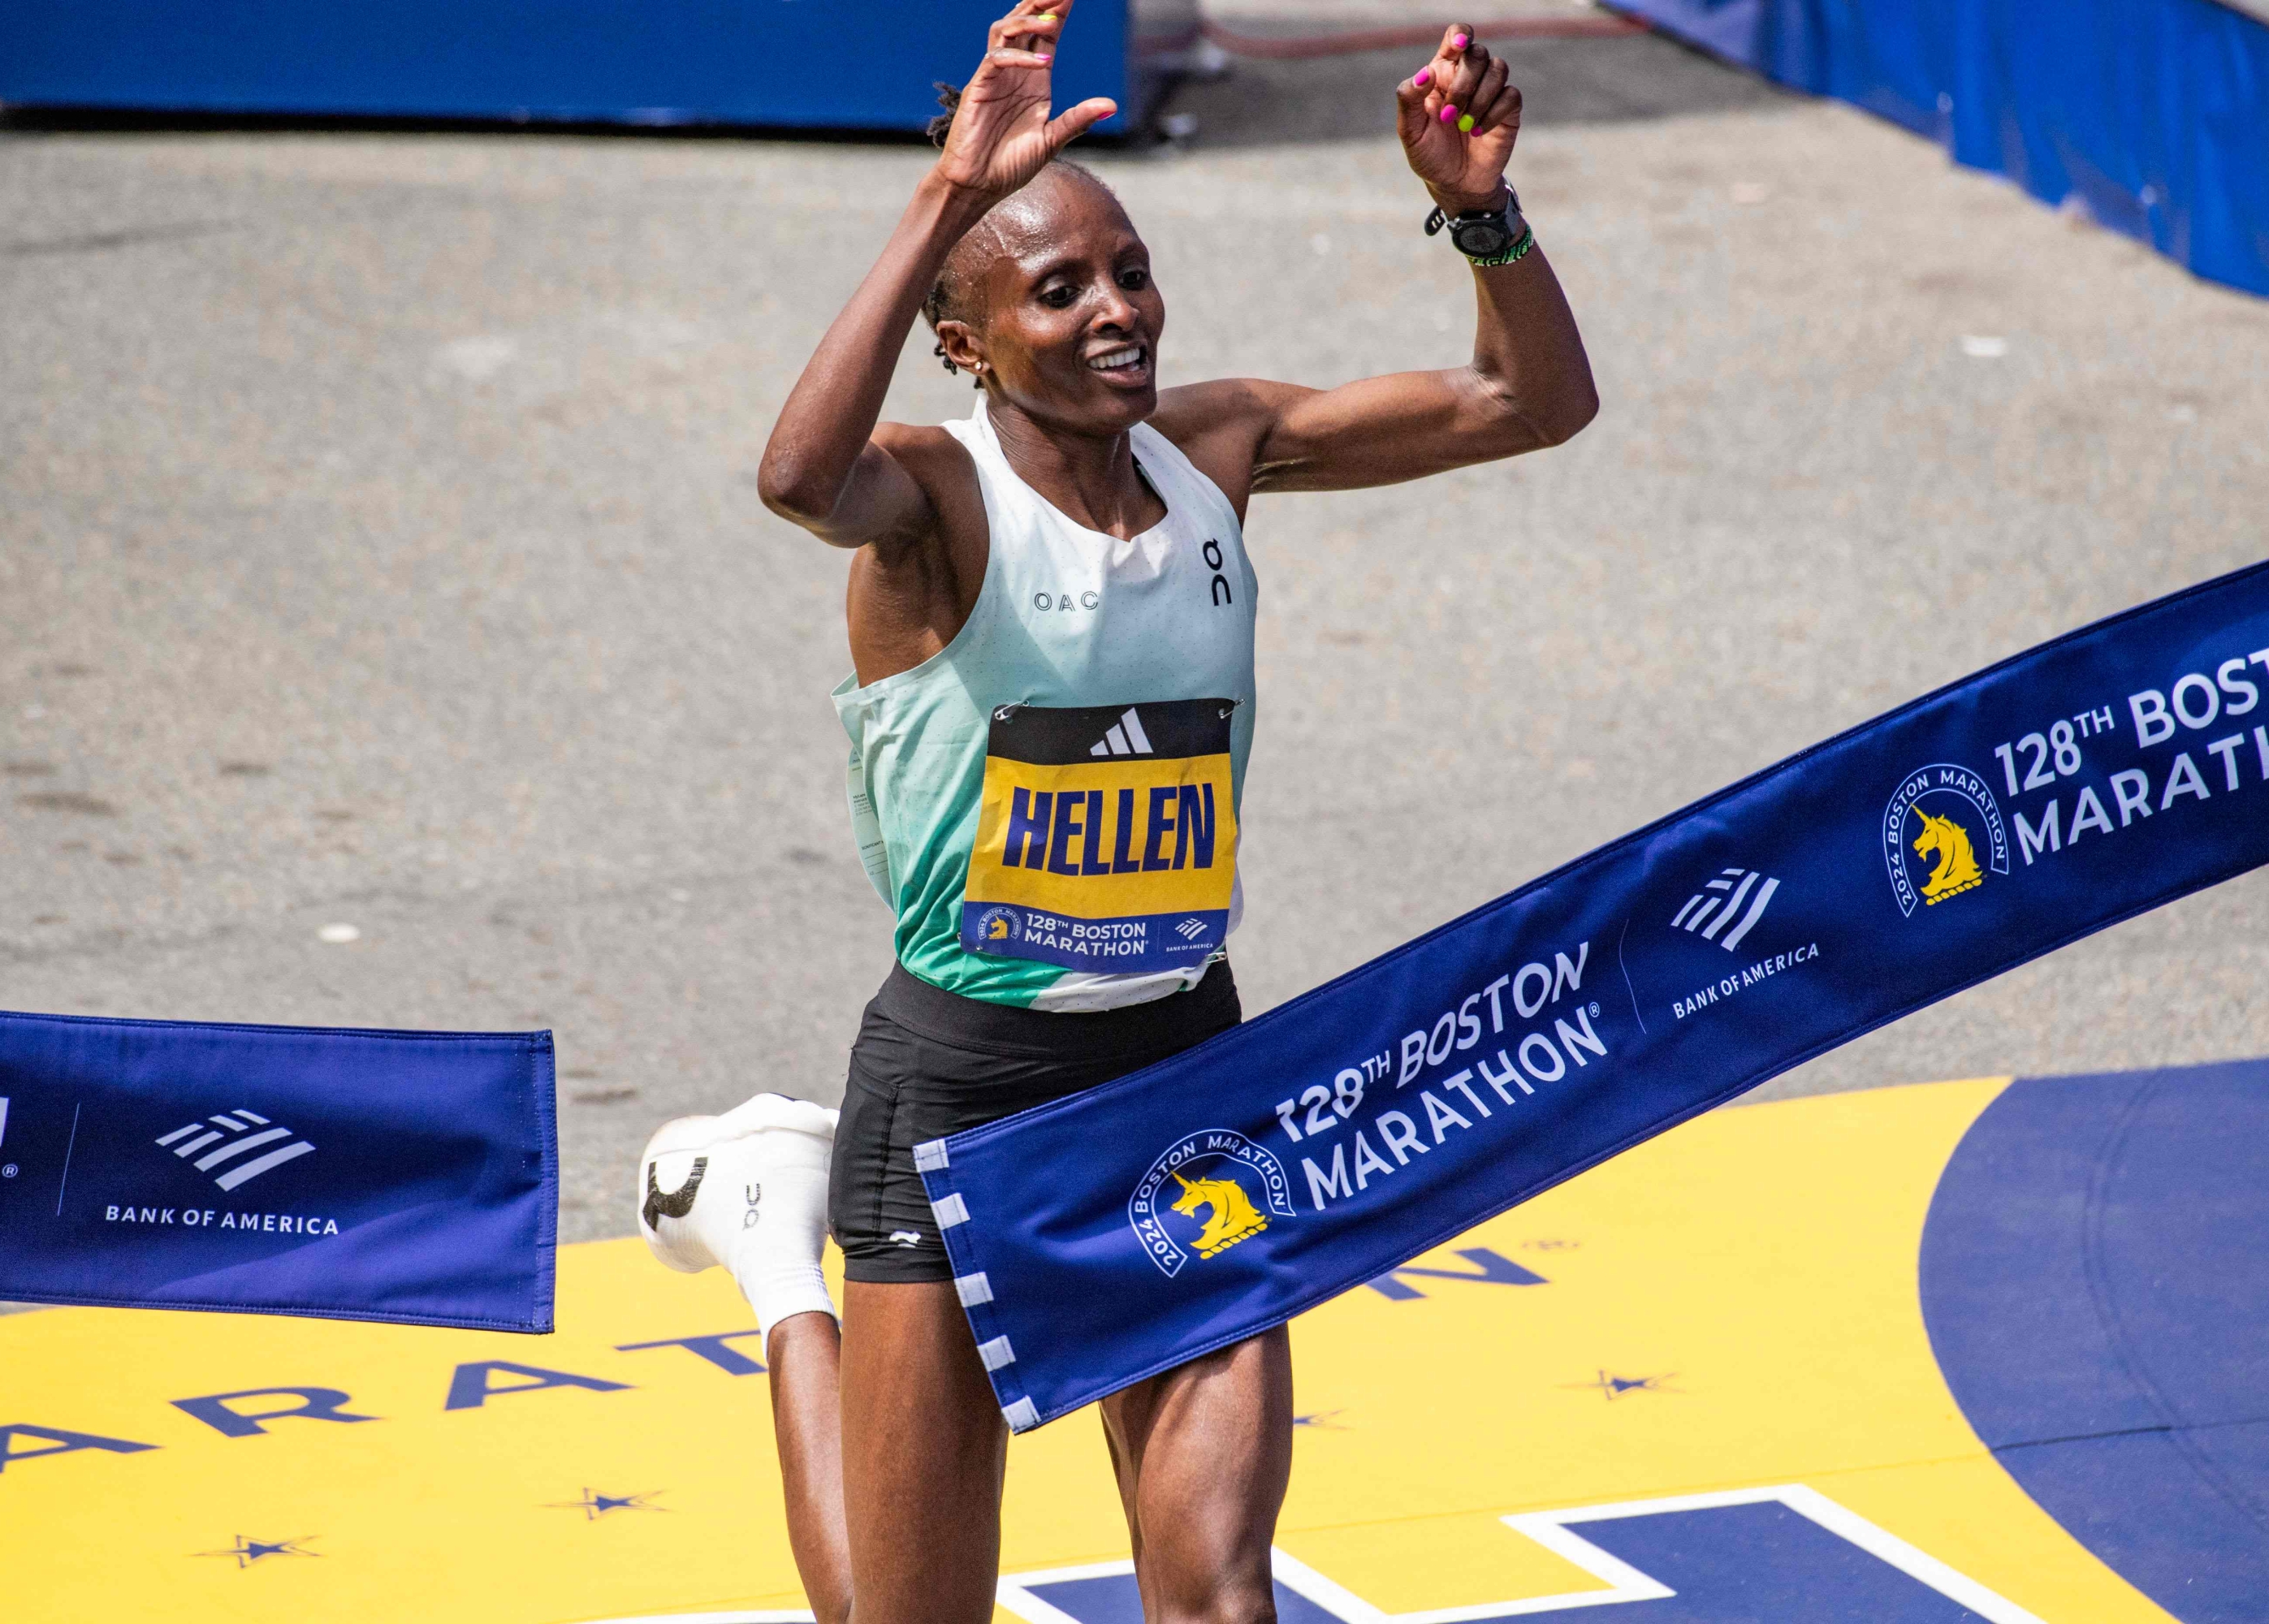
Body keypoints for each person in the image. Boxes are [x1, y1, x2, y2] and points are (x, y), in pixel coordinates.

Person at [636, 7, 1597, 1621]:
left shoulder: (1219, 447)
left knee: (1216, 1592)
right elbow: (799, 480)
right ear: (970, 338)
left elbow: (1532, 405)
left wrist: (1480, 210)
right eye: (1058, 287)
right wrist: (944, 198)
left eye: (1130, 270)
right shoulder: (936, 506)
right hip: (958, 1092)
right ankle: (769, 1239)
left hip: (1180, 1075)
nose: (1116, 311)